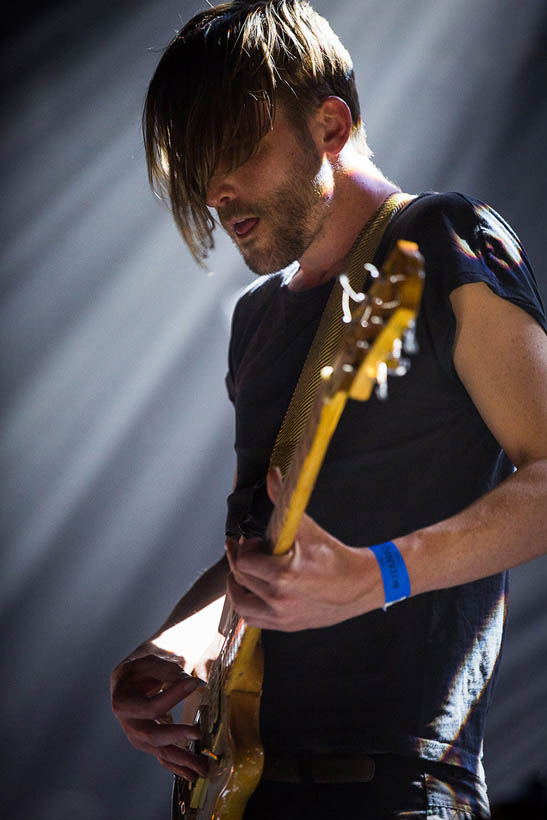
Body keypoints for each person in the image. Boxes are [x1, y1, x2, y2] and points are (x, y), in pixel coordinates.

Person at [111, 2, 547, 818]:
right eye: (199, 167)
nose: (217, 191)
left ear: (331, 124)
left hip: (399, 790)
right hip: (246, 787)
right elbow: (265, 554)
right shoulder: (255, 318)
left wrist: (380, 573)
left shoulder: (442, 235)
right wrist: (175, 649)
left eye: (236, 150)